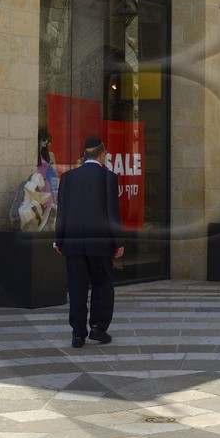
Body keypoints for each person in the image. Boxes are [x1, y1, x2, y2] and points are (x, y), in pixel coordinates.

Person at [55, 133, 125, 346]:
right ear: (102, 155)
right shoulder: (108, 178)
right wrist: (118, 241)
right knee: (102, 284)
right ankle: (98, 327)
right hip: (100, 243)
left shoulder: (68, 178)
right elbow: (112, 213)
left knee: (76, 287)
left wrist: (59, 240)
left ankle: (78, 333)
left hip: (74, 243)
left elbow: (62, 212)